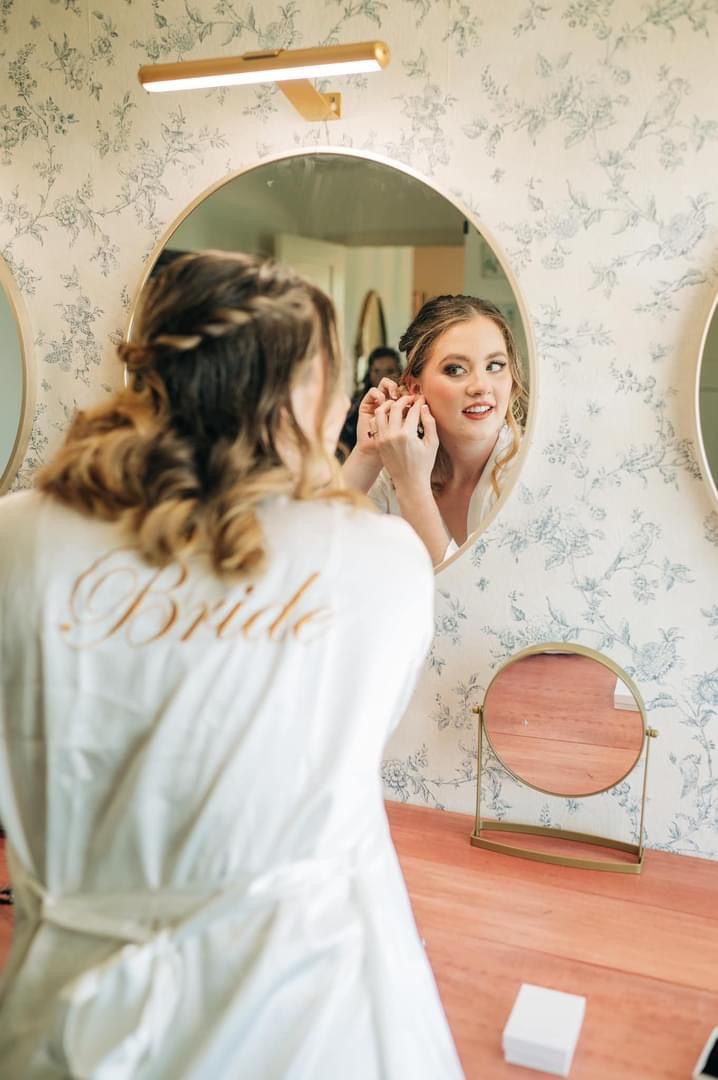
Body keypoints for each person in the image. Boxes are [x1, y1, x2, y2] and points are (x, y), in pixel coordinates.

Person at [0, 252, 463, 1078]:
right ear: (311, 393)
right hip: (311, 1015)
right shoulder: (386, 561)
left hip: (68, 1016)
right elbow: (345, 750)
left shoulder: (15, 538)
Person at [342, 295, 527, 566]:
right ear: (415, 387)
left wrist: (412, 486)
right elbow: (307, 552)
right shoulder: (394, 468)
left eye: (495, 366)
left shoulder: (525, 474)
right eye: (455, 369)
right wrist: (367, 453)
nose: (481, 386)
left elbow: (467, 602)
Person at [335, 345, 402, 461]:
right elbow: (344, 439)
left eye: (390, 371)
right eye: (377, 371)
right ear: (369, 373)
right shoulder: (357, 404)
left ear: (400, 372)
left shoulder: (407, 401)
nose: (383, 377)